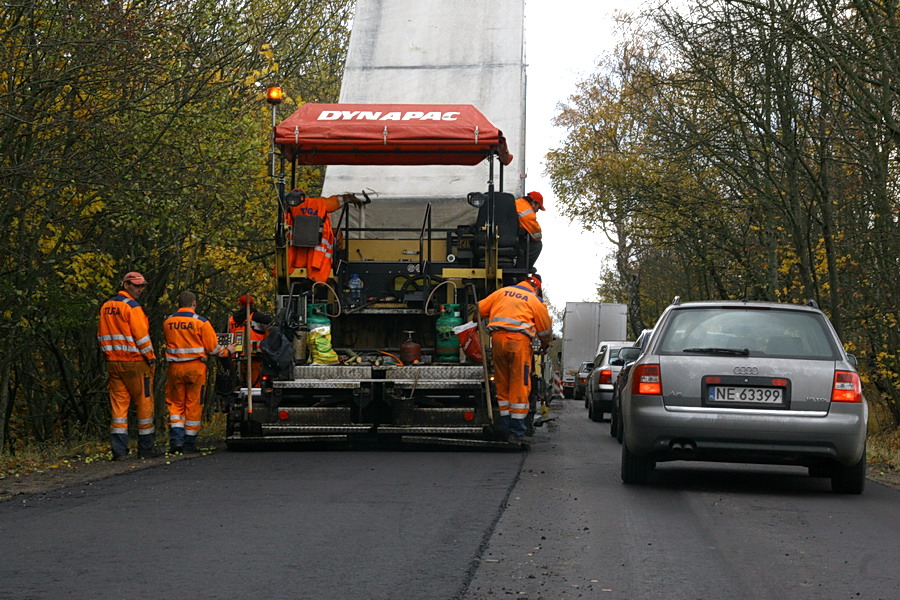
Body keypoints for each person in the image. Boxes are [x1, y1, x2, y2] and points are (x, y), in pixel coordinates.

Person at [478, 274, 553, 443]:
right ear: (537, 288)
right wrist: (545, 345)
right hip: (518, 343)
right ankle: (517, 431)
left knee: (502, 382)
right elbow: (545, 329)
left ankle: (505, 427)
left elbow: (479, 309)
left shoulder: (501, 293)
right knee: (520, 383)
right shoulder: (534, 300)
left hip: (497, 340)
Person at [97, 271, 162, 460]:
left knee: (119, 407)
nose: (140, 289)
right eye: (136, 285)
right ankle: (146, 447)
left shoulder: (106, 306)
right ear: (126, 285)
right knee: (144, 402)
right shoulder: (132, 307)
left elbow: (101, 335)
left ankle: (119, 450)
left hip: (113, 362)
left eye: (142, 286)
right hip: (135, 362)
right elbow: (142, 337)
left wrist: (108, 355)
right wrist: (151, 358)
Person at [163, 291, 234, 454]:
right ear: (194, 304)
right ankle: (189, 442)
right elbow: (212, 348)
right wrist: (227, 351)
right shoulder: (202, 323)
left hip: (174, 368)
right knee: (193, 404)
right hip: (195, 368)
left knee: (175, 404)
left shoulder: (168, 322)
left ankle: (176, 440)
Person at [284, 188, 366, 282]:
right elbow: (336, 201)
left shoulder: (290, 208)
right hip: (318, 260)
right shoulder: (320, 204)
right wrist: (349, 197)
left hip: (294, 260)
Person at [227, 294, 274, 388]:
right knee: (255, 385)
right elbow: (273, 324)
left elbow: (226, 336)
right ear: (252, 305)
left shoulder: (231, 320)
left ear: (240, 305)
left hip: (235, 356)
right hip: (255, 356)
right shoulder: (257, 317)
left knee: (238, 383)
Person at [515, 191, 544, 272]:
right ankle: (526, 268)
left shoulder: (518, 202)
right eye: (538, 208)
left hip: (501, 236)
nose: (537, 211)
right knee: (537, 245)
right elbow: (536, 236)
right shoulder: (528, 213)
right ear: (534, 203)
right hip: (513, 240)